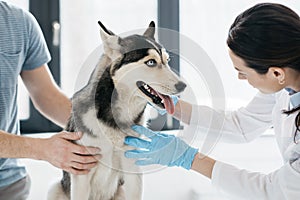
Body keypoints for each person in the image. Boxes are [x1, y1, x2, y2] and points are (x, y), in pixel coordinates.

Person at [124, 3, 300, 200]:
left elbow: (273, 191)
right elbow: (241, 126)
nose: (241, 79)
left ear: (276, 73)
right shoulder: (284, 85)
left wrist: (188, 158)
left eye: (242, 72)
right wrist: (168, 103)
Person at [0, 2, 101, 199]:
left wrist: (100, 127)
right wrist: (43, 149)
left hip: (10, 184)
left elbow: (46, 96)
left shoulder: (19, 22)